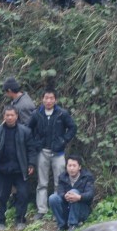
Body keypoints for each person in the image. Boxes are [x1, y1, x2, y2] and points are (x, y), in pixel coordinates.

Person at [0, 106, 37, 231]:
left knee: (23, 195)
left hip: (20, 170)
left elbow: (31, 150)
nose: (9, 117)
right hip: (3, 170)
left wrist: (31, 164)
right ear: (3, 116)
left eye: (12, 115)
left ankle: (20, 220)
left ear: (17, 116)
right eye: (7, 115)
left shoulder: (25, 131)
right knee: (0, 197)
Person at [28, 89, 76, 221]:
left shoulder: (62, 113)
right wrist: (36, 142)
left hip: (58, 152)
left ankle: (57, 210)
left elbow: (72, 128)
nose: (48, 101)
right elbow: (29, 129)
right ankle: (41, 209)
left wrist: (63, 140)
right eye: (46, 98)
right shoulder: (37, 114)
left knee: (59, 182)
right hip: (42, 151)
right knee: (42, 182)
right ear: (42, 99)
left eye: (51, 98)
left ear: (55, 100)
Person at [47, 155, 95, 231]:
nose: (71, 168)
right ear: (66, 166)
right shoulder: (62, 177)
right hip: (67, 208)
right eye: (69, 165)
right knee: (52, 198)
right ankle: (62, 225)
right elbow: (60, 192)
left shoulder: (87, 177)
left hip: (82, 209)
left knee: (74, 192)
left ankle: (73, 224)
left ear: (79, 167)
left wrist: (79, 197)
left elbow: (90, 194)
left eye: (74, 166)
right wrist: (64, 196)